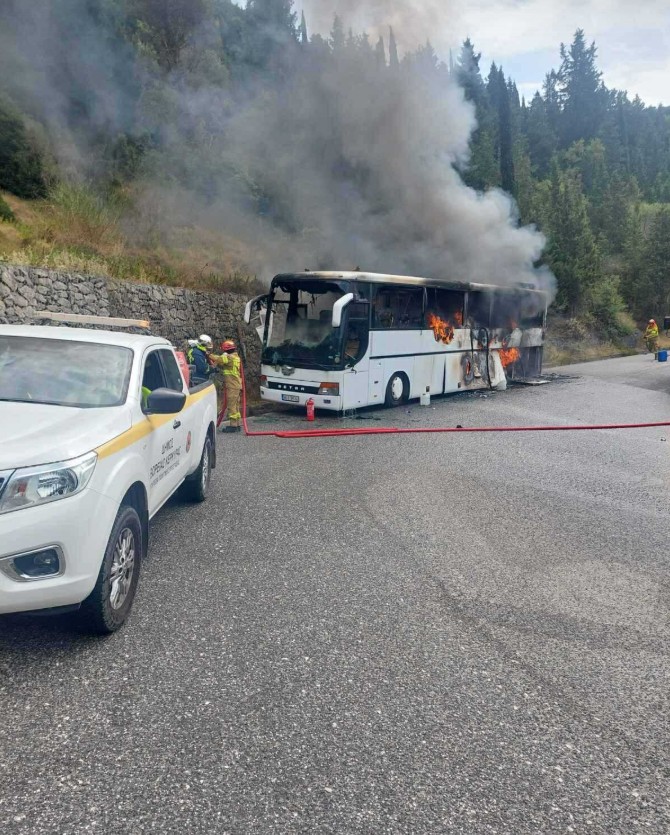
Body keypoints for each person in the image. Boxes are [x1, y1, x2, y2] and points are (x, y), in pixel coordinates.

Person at [215, 339, 243, 433]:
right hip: (236, 385)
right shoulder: (235, 357)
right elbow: (223, 363)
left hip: (232, 385)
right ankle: (238, 424)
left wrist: (208, 355)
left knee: (231, 405)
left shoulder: (229, 357)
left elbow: (219, 360)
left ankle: (233, 426)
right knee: (236, 405)